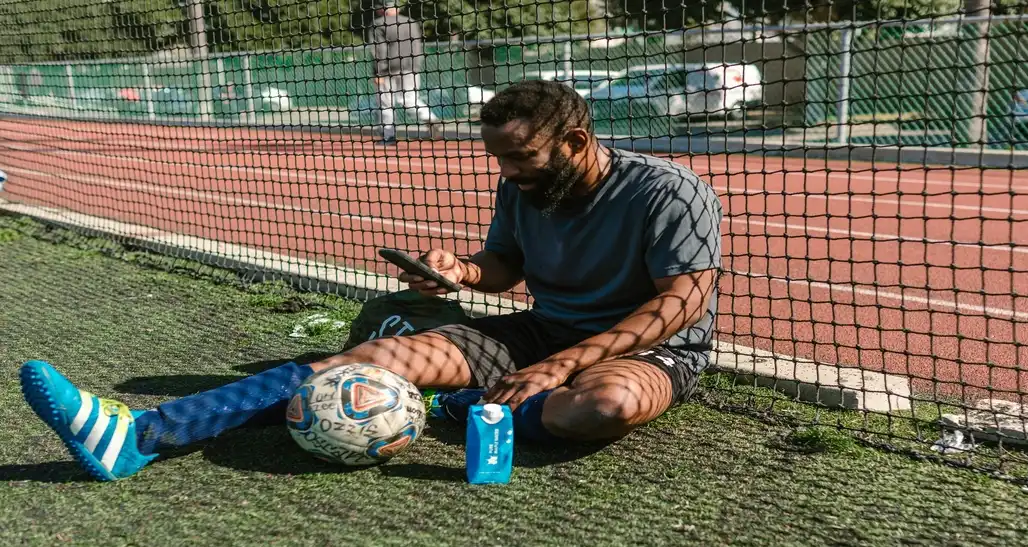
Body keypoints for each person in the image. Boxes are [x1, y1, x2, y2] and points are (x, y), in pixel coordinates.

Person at [18, 80, 724, 482]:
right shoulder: (523, 189)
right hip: (540, 332)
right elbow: (504, 268)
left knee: (600, 408)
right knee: (368, 359)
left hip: (651, 352)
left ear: (574, 143)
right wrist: (462, 272)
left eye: (522, 157)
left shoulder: (667, 190)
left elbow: (681, 301)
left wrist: (566, 365)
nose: (507, 172)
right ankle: (141, 434)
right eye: (498, 159)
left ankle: (455, 407)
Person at [370, 0, 437, 143]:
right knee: (410, 100)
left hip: (388, 69)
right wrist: (416, 66)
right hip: (411, 67)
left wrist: (378, 72)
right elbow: (417, 45)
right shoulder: (411, 22)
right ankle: (429, 117)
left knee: (386, 104)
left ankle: (389, 137)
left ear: (384, 9)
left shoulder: (379, 24)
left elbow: (379, 50)